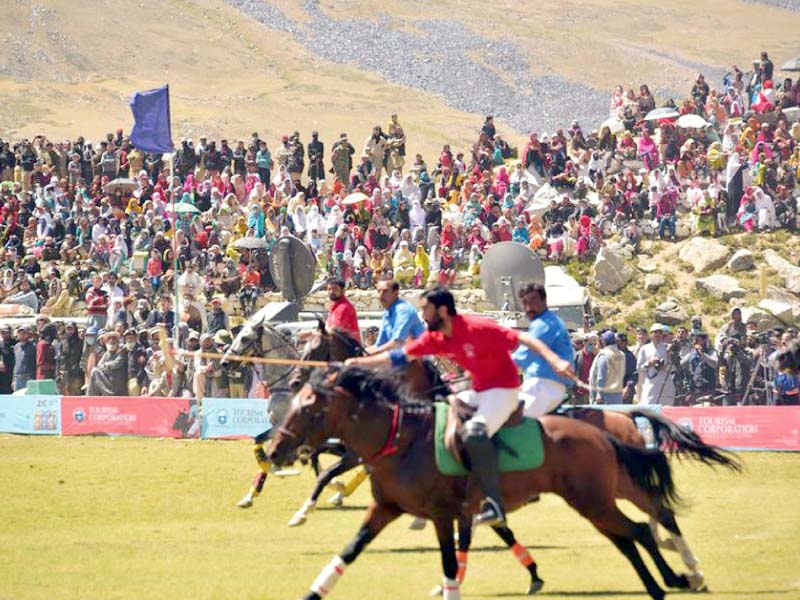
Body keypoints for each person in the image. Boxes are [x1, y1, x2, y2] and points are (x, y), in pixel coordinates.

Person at [346, 286, 574, 528]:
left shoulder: (477, 327)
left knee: (475, 432)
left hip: (503, 392)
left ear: (442, 310)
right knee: (435, 418)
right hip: (478, 392)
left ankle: (494, 503)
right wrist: (360, 363)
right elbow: (400, 357)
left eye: (426, 310)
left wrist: (554, 359)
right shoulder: (435, 337)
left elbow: (523, 338)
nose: (422, 316)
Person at [513, 282, 574, 417]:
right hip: (541, 385)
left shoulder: (545, 324)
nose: (528, 307)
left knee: (514, 421)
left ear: (544, 301)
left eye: (533, 301)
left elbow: (523, 356)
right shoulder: (545, 322)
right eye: (524, 302)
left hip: (544, 386)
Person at [368, 279, 425, 354]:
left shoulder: (404, 311)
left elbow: (397, 343)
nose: (381, 295)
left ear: (396, 293)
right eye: (379, 291)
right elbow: (380, 344)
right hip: (400, 358)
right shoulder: (387, 311)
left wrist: (370, 353)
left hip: (418, 360)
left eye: (385, 291)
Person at [636, 323, 676, 405]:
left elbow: (674, 367)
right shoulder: (644, 349)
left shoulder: (668, 348)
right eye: (655, 332)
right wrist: (649, 363)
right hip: (650, 386)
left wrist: (665, 367)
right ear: (651, 334)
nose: (658, 335)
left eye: (660, 332)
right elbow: (639, 368)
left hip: (665, 386)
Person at [588, 331, 625, 404]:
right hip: (618, 392)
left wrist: (599, 393)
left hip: (605, 395)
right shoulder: (622, 354)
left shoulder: (605, 355)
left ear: (604, 341)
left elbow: (601, 377)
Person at [87, 331, 128, 396]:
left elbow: (117, 364)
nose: (111, 341)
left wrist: (105, 366)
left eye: (114, 339)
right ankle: (91, 396)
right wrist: (104, 368)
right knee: (94, 371)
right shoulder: (107, 353)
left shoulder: (121, 351)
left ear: (117, 341)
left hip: (117, 380)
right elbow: (99, 365)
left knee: (95, 371)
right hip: (107, 378)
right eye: (109, 339)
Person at [680, 331, 718, 401]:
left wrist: (703, 354)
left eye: (699, 340)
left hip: (708, 387)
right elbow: (681, 365)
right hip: (695, 387)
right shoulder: (692, 353)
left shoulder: (711, 352)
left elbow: (715, 364)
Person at [325, 277, 361, 343]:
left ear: (343, 290)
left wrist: (312, 333)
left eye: (335, 289)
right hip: (337, 346)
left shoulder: (344, 307)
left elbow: (334, 330)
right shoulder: (334, 306)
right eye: (329, 289)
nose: (332, 292)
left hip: (349, 349)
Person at [55, 322, 83, 395]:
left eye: (71, 329)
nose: (70, 331)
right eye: (68, 329)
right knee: (64, 396)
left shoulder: (80, 343)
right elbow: (58, 360)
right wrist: (57, 374)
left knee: (76, 395)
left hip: (76, 375)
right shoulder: (62, 343)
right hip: (64, 374)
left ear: (75, 330)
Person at [13, 325, 37, 391]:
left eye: (24, 333)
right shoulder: (16, 346)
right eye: (20, 333)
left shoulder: (34, 346)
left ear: (29, 335)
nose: (21, 335)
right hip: (18, 377)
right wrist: (14, 379)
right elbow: (16, 363)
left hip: (29, 376)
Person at [0, 324, 15, 394]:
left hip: (13, 373)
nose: (4, 334)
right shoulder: (0, 344)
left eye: (6, 332)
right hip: (3, 374)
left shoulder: (16, 343)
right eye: (2, 332)